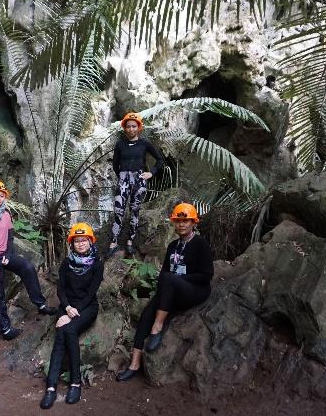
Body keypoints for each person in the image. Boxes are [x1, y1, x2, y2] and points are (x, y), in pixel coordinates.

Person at [116, 203, 213, 381]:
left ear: (194, 223)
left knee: (169, 278)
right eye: (178, 221)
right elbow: (164, 275)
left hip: (196, 290)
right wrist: (166, 288)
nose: (181, 224)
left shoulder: (201, 244)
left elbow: (206, 275)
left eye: (186, 221)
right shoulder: (172, 246)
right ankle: (134, 364)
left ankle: (158, 326)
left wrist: (178, 280)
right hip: (173, 290)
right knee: (146, 313)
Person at [0, 180, 57, 341]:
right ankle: (5, 329)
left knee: (27, 267)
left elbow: (10, 237)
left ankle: (40, 304)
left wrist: (7, 254)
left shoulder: (6, 214)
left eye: (2, 196)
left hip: (2, 254)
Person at [40, 223, 104, 409]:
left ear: (90, 241)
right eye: (77, 241)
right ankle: (51, 388)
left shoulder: (97, 264)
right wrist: (67, 308)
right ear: (72, 244)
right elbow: (61, 289)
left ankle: (75, 383)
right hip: (68, 306)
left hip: (87, 307)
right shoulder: (67, 263)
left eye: (84, 240)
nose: (81, 244)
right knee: (61, 335)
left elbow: (91, 292)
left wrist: (72, 313)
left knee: (68, 331)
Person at [107, 112, 164, 258]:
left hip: (139, 181)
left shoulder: (144, 143)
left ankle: (130, 242)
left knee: (135, 210)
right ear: (124, 128)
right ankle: (113, 243)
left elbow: (159, 160)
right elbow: (115, 165)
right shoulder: (120, 145)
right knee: (118, 210)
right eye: (128, 126)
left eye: (134, 126)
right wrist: (123, 176)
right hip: (123, 180)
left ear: (139, 128)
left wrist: (151, 173)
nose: (131, 129)